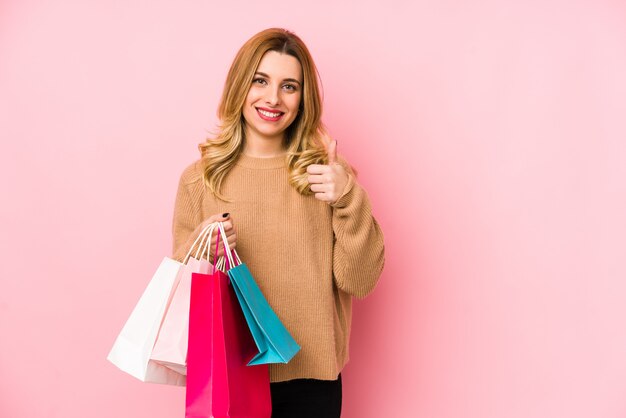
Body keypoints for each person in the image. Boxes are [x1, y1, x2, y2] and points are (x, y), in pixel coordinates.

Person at [171, 27, 385, 418]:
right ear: (240, 86)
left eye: (289, 86)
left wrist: (348, 197)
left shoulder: (325, 177)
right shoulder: (199, 179)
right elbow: (180, 294)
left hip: (311, 382)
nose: (273, 98)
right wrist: (201, 251)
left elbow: (361, 280)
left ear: (303, 99)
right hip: (227, 375)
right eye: (260, 80)